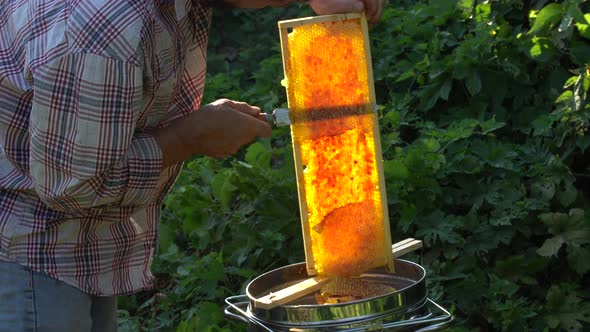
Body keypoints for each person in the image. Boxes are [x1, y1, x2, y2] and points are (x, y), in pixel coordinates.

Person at [0, 0, 384, 331]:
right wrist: (189, 138)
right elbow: (72, 185)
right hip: (28, 254)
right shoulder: (104, 31)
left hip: (79, 247)